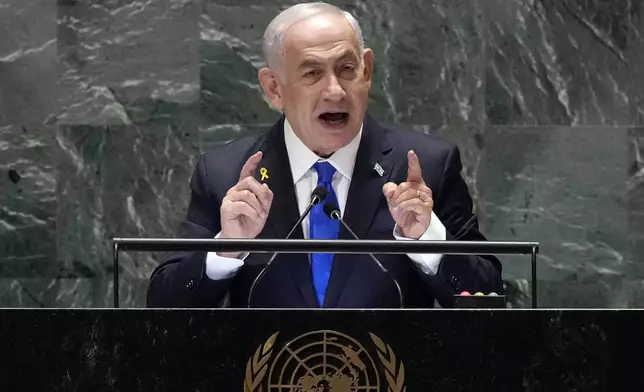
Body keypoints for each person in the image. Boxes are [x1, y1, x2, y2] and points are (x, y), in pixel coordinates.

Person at [146, 2, 502, 309]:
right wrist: (226, 248)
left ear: (367, 71)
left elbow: (489, 296)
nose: (334, 90)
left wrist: (427, 238)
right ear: (274, 88)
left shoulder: (428, 167)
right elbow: (161, 308)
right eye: (313, 73)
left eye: (347, 69)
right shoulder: (225, 175)